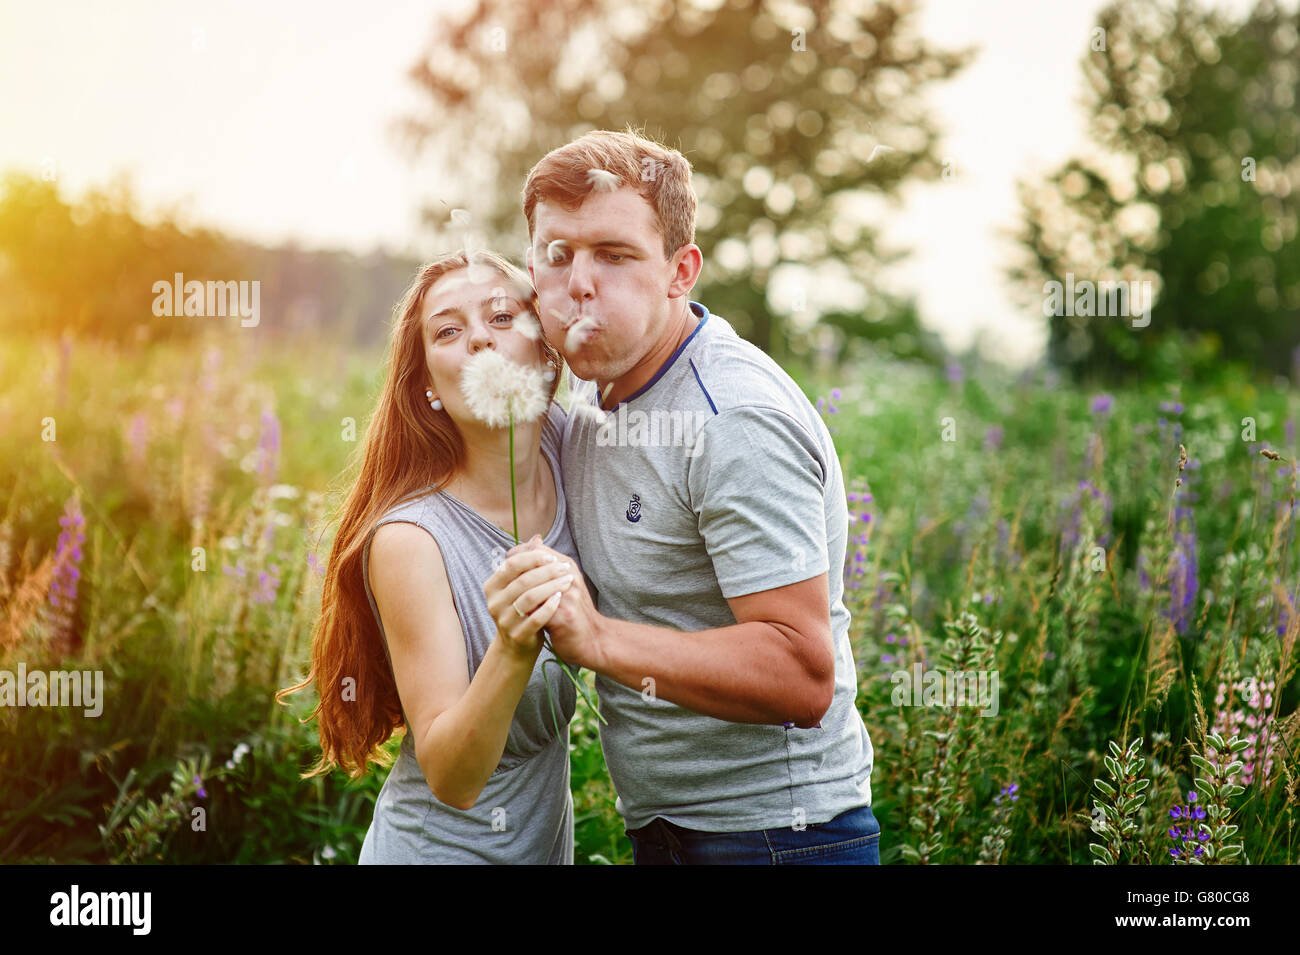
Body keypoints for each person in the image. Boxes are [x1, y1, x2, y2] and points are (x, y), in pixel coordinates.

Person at [489, 129, 880, 864]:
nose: (580, 282)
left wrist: (597, 639)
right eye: (557, 254)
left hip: (779, 841)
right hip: (670, 835)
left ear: (681, 271)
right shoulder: (588, 386)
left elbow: (802, 673)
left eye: (615, 254)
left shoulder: (733, 418)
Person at [279, 249, 581, 864]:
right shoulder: (411, 541)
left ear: (544, 349)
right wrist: (512, 646)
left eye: (502, 318)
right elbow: (451, 775)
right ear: (426, 385)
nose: (477, 339)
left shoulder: (574, 449)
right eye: (448, 330)